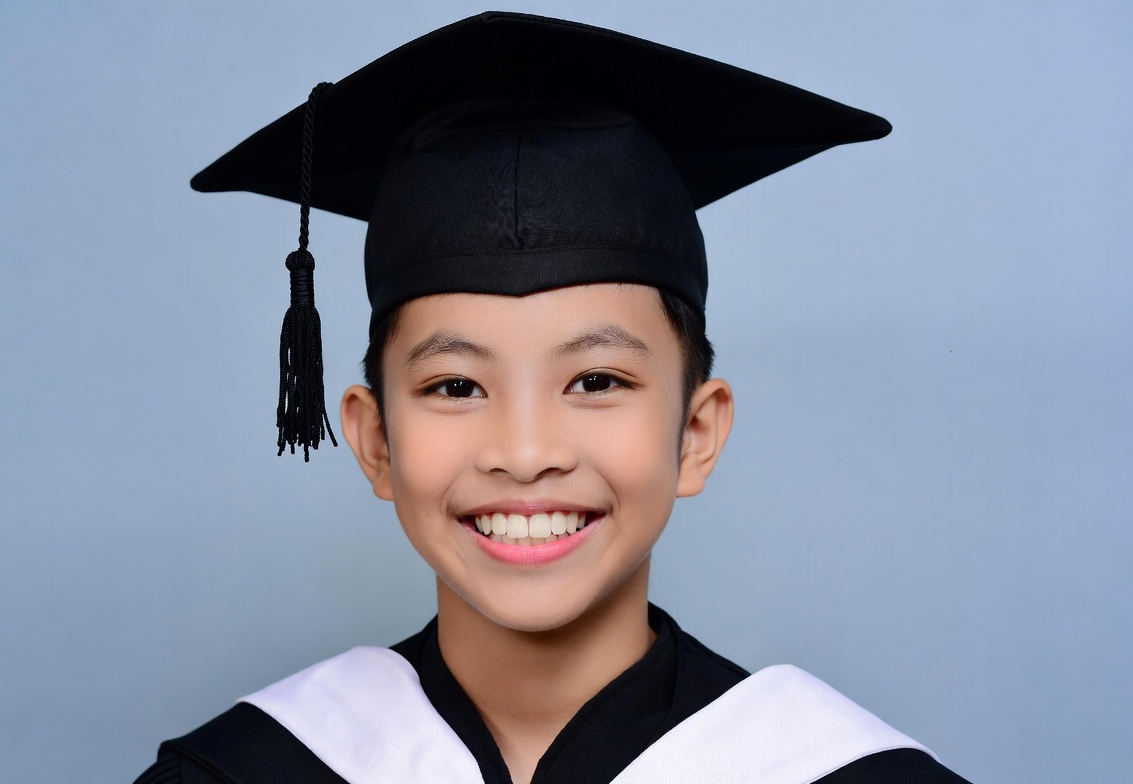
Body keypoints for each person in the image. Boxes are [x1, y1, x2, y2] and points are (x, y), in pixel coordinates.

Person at [134, 12, 969, 784]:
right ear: (374, 439)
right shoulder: (243, 773)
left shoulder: (836, 770)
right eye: (455, 386)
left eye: (597, 382)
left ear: (697, 433)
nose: (527, 453)